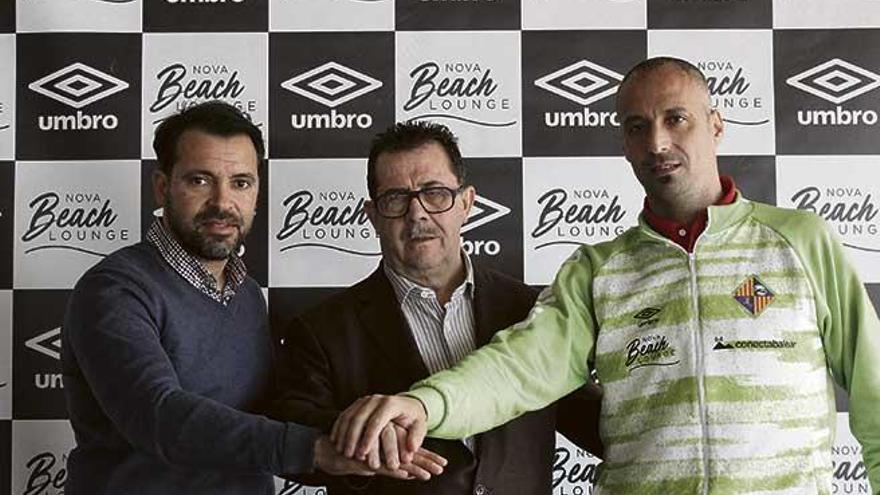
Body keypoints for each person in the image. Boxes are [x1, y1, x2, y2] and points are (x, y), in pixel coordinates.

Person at [331, 58, 880, 494]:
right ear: (623, 144)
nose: (657, 142)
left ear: (716, 125)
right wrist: (425, 405)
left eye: (676, 118)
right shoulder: (598, 270)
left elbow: (874, 396)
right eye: (637, 127)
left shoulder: (802, 239)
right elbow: (517, 367)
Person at [61, 101, 444, 495]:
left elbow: (269, 415)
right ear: (163, 187)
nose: (222, 203)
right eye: (200, 180)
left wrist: (365, 435)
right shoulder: (114, 290)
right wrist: (313, 449)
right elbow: (158, 416)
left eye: (241, 182)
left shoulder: (245, 295)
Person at [272, 121, 602, 494]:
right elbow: (289, 433)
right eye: (396, 199)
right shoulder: (322, 329)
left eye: (435, 193)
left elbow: (600, 426)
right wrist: (360, 437)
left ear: (466, 202)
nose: (417, 214)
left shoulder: (533, 311)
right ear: (372, 215)